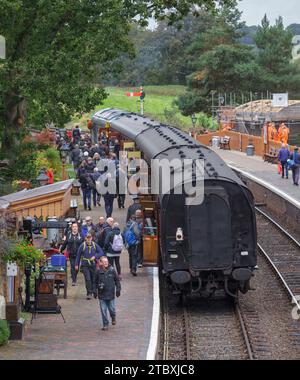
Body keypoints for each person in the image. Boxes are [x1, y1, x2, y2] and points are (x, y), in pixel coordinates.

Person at [94, 256, 121, 331]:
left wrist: (118, 289)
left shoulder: (112, 270)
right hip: (102, 295)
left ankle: (113, 317)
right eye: (104, 262)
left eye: (107, 261)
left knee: (112, 309)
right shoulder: (98, 271)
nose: (106, 263)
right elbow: (95, 282)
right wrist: (94, 291)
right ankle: (105, 324)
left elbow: (117, 281)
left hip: (110, 294)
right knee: (103, 310)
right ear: (101, 263)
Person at [75, 233, 104, 299]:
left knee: (93, 278)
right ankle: (89, 293)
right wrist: (76, 264)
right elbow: (78, 256)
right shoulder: (82, 245)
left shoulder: (94, 245)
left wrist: (95, 256)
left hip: (93, 264)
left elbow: (101, 252)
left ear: (91, 238)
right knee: (88, 279)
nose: (89, 239)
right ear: (85, 238)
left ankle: (94, 291)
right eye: (87, 238)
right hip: (85, 265)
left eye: (90, 237)